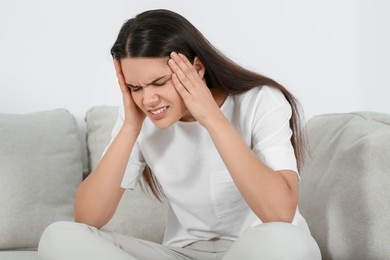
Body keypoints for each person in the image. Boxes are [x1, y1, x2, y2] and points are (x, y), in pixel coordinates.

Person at [38, 9, 321, 260]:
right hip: (182, 252)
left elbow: (280, 214)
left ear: (196, 69)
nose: (148, 99)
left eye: (158, 82)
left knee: (291, 244)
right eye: (136, 88)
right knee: (58, 237)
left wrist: (211, 117)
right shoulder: (140, 117)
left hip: (257, 248)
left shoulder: (260, 101)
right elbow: (87, 218)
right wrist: (130, 128)